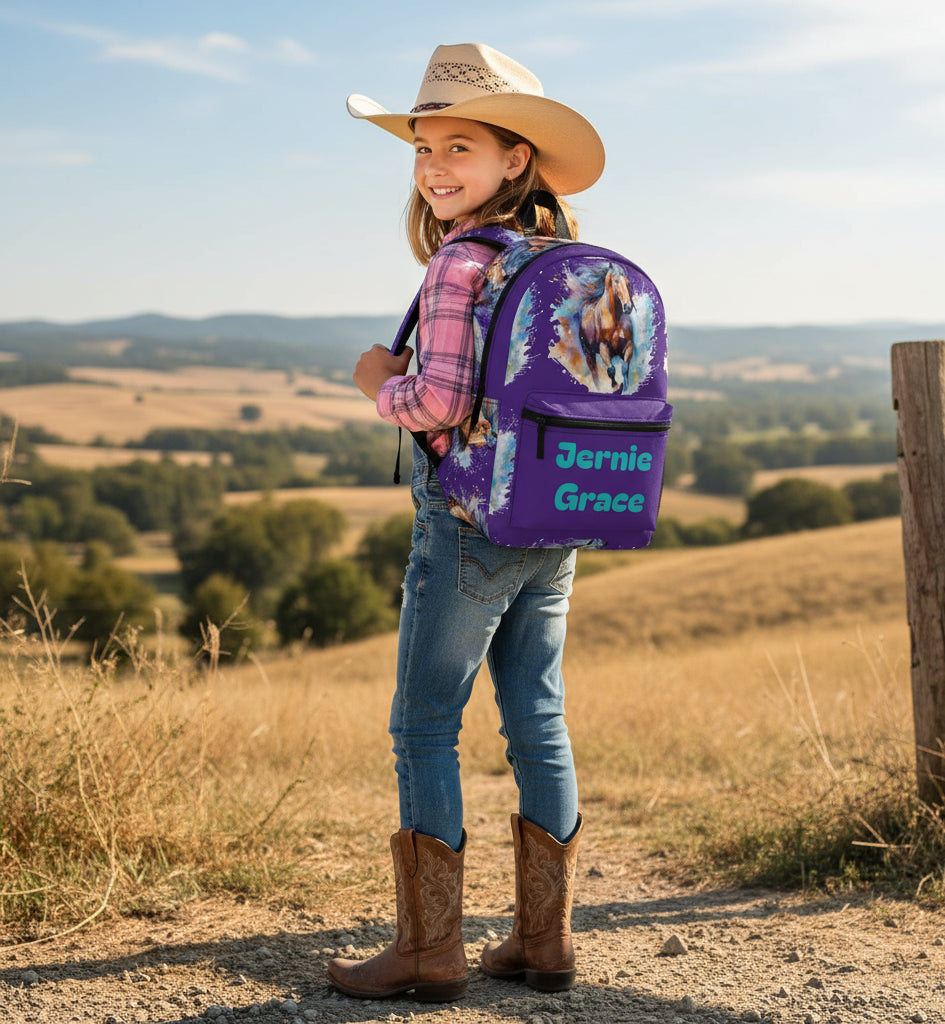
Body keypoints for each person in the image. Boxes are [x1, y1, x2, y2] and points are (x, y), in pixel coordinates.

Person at [327, 43, 605, 1003]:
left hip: (467, 521)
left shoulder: (460, 263)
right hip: (554, 516)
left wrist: (376, 382)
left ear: (514, 160)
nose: (435, 167)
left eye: (460, 147)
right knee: (538, 714)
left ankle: (430, 950)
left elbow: (438, 404)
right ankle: (544, 942)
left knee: (423, 725)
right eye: (421, 148)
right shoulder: (561, 260)